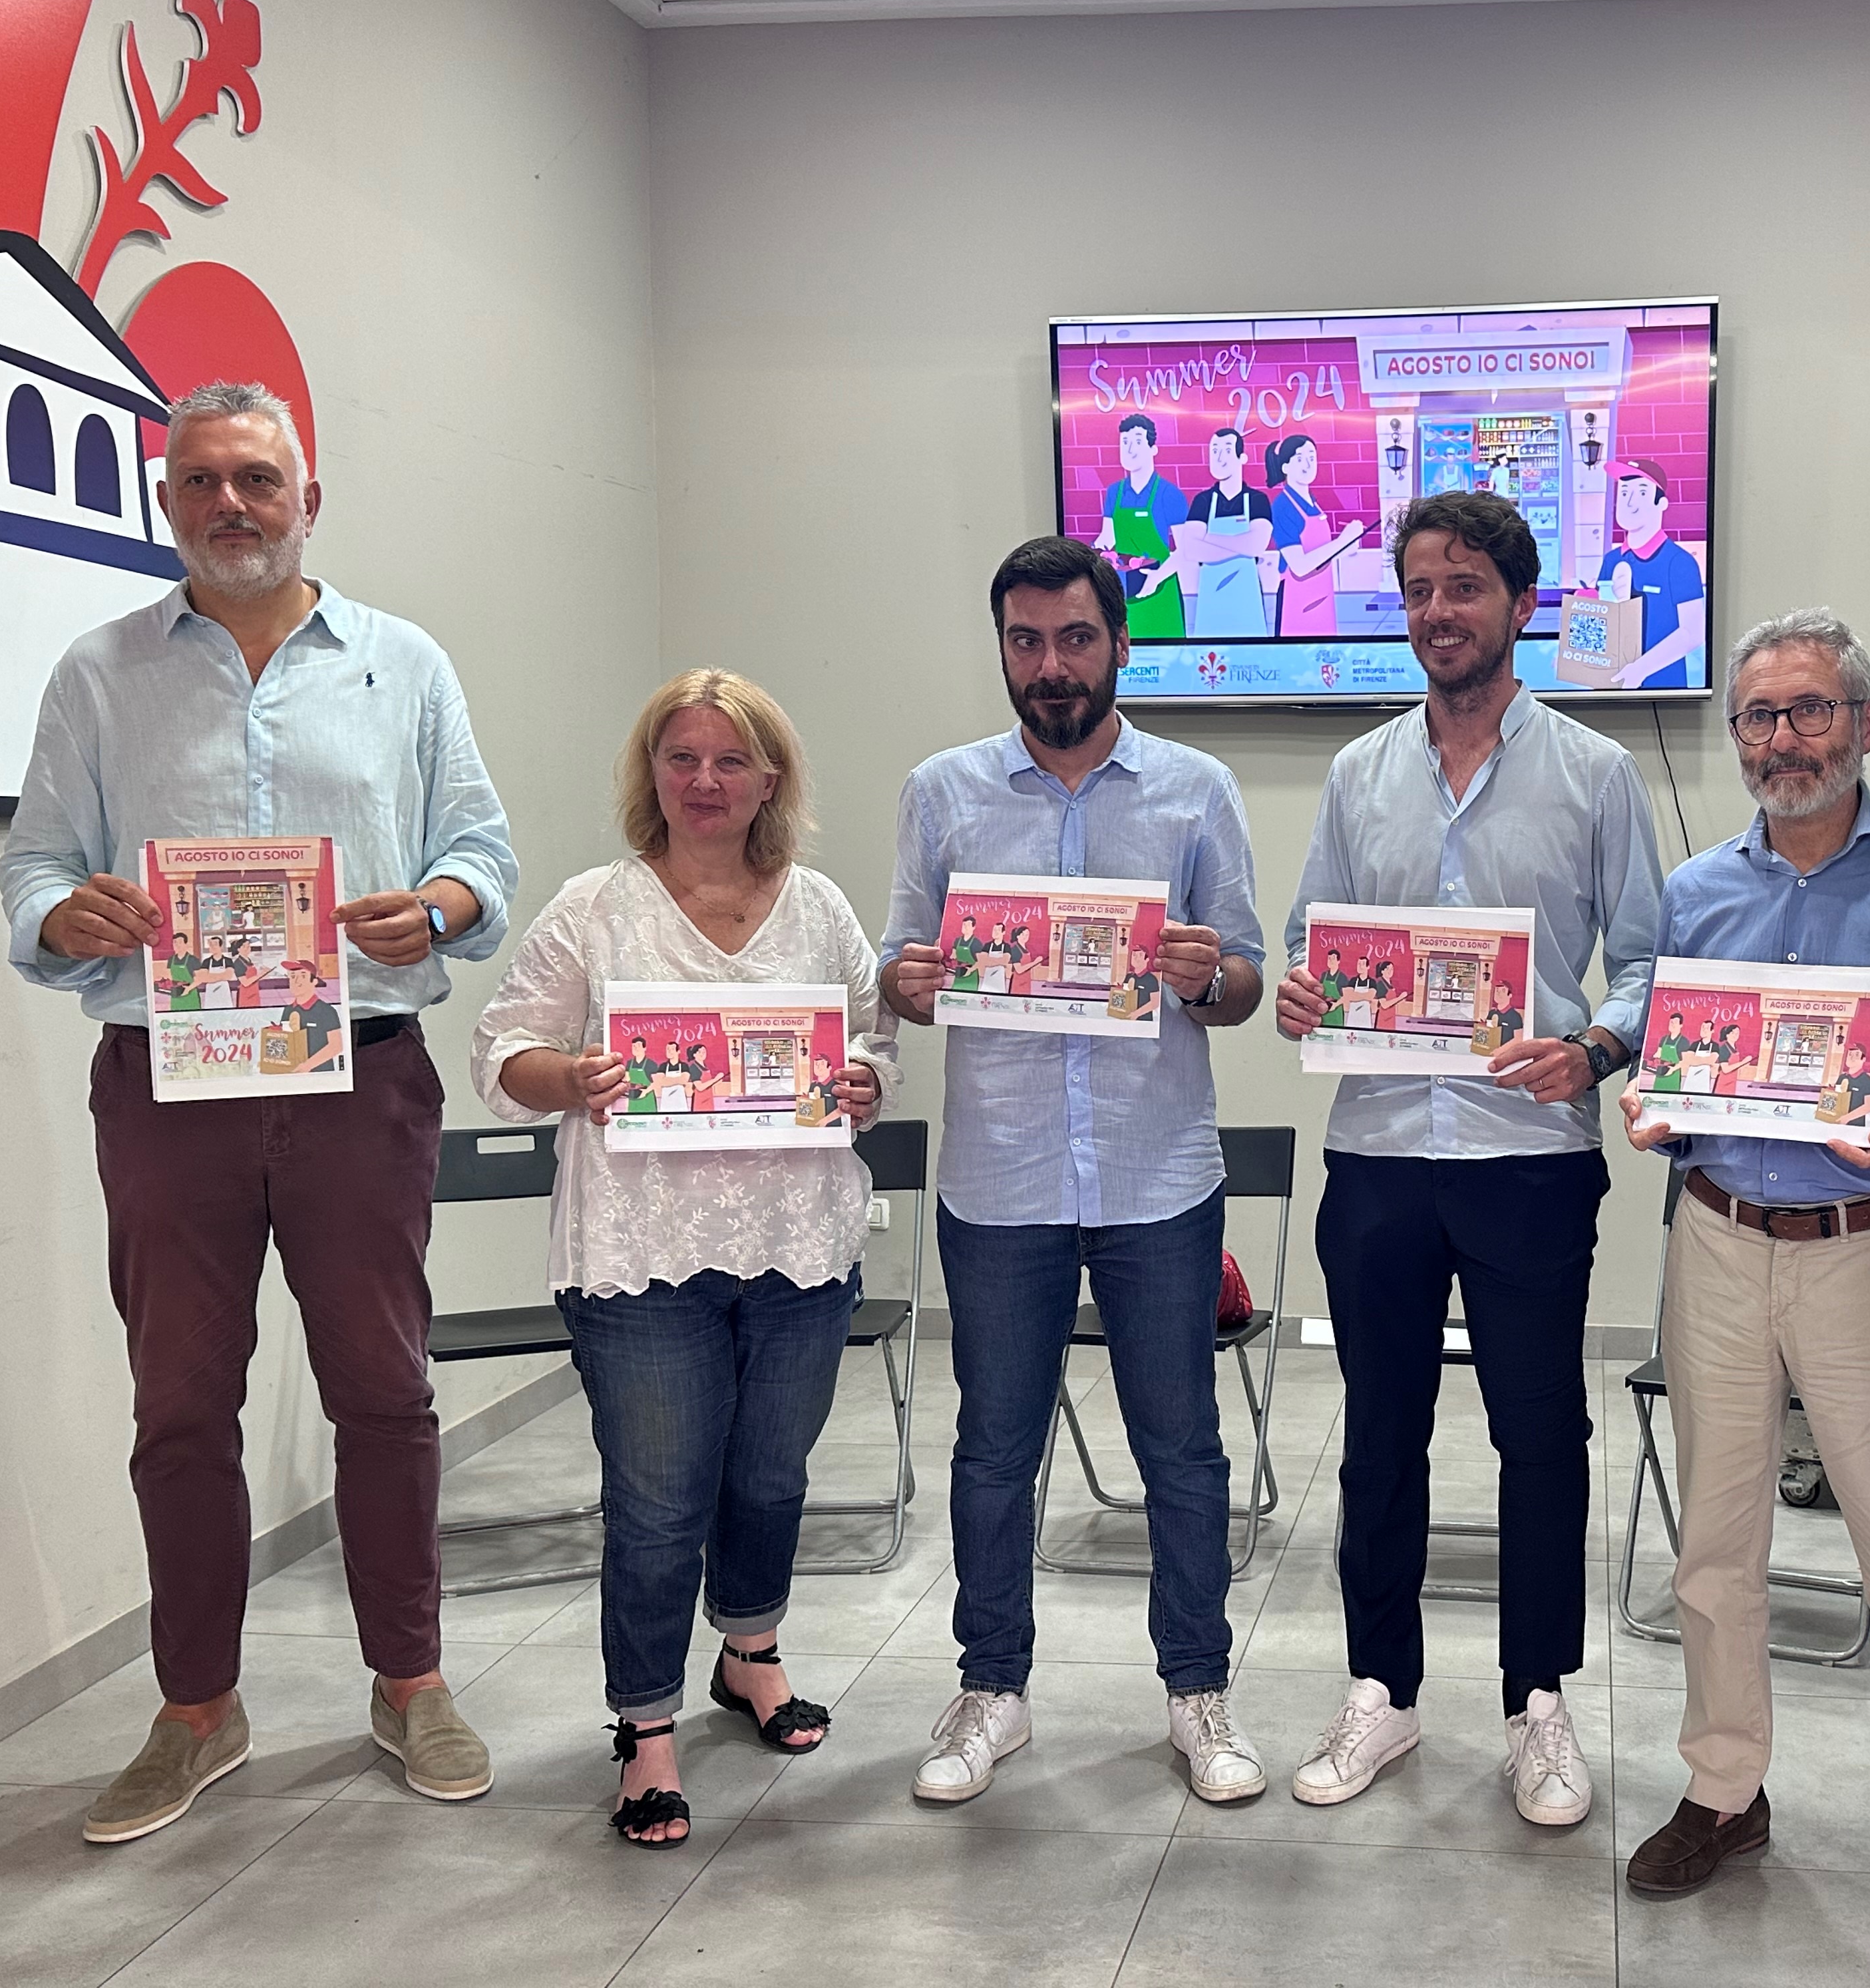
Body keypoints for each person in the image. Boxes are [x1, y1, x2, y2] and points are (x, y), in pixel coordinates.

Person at [0, 381, 518, 1844]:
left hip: (361, 1072)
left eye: (258, 480)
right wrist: (68, 913)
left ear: (309, 499)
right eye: (201, 482)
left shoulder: (401, 665)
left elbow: (483, 849)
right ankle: (196, 1709)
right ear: (167, 503)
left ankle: (408, 1679)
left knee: (385, 1392)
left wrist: (440, 908)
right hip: (168, 1088)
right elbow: (29, 872)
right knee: (178, 1403)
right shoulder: (96, 675)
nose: (231, 505)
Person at [1613, 610, 1870, 1965]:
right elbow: (1674, 1047)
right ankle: (1725, 1793)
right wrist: (1656, 1105)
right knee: (1715, 1551)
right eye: (1759, 718)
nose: (1783, 740)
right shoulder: (1696, 889)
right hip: (1717, 1239)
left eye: (1810, 711)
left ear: (1868, 723)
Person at [1274, 490, 1664, 1828]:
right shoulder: (1358, 774)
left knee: (1541, 1434)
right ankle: (1381, 1691)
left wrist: (1597, 1051)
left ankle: (1538, 1703)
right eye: (1420, 590)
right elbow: (1311, 942)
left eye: (1465, 588)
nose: (1440, 612)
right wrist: (1303, 993)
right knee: (1378, 1439)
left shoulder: (1598, 773)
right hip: (1379, 1154)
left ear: (1522, 604)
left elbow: (1652, 969)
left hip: (1530, 1159)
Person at [471, 668, 895, 1850]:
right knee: (658, 1502)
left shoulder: (817, 906)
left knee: (769, 1476)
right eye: (681, 758)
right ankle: (645, 1722)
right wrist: (573, 1078)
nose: (704, 781)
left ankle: (749, 1651)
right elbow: (500, 1049)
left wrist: (865, 1083)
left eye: (729, 761)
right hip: (640, 1249)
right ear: (649, 771)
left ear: (771, 779)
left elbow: (873, 1046)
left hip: (798, 1240)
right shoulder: (593, 907)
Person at [880, 535, 1270, 1806]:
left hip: (1158, 1173)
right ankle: (992, 1686)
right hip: (1000, 1175)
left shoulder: (1196, 788)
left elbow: (1248, 982)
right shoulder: (941, 790)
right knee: (994, 1447)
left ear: (1118, 641)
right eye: (1024, 640)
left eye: (1075, 638)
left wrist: (1208, 974)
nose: (1050, 665)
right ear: (1002, 646)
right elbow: (897, 965)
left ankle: (1196, 1692)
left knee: (1183, 1450)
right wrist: (911, 981)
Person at [1595, 456, 1707, 691]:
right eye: (1624, 493)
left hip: (1667, 691)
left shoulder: (1679, 563)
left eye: (1642, 493)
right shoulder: (1611, 560)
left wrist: (1640, 669)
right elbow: (1600, 622)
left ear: (1662, 503)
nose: (1630, 502)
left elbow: (1693, 632)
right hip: (1608, 689)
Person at [1095, 412, 1189, 641]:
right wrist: (1095, 552)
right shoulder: (1114, 493)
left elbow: (1186, 550)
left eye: (1137, 441)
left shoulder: (1170, 495)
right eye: (1124, 442)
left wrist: (1156, 577)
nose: (1130, 449)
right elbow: (1107, 538)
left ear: (1153, 449)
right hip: (1124, 594)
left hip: (1161, 592)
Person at [1177, 427, 1274, 638]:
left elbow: (1258, 545)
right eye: (1215, 451)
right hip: (1212, 602)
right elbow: (1192, 550)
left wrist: (1209, 540)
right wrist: (1242, 546)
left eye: (1227, 450)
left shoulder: (1257, 500)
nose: (1219, 457)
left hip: (1246, 602)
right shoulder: (1202, 501)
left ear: (1242, 457)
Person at [1266, 433, 1365, 638]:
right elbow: (1300, 566)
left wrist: (1346, 548)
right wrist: (1343, 541)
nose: (1308, 464)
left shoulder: (1313, 502)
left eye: (1312, 457)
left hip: (1323, 595)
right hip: (1297, 601)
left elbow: (1319, 556)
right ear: (1285, 467)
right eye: (1300, 458)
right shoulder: (1284, 506)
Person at [280, 957, 343, 1072]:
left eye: (303, 976)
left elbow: (336, 1046)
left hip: (322, 1075)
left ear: (314, 982)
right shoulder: (288, 1011)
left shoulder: (326, 1011)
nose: (296, 981)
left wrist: (307, 1066)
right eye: (293, 976)